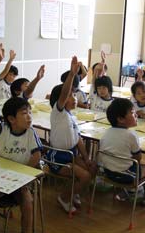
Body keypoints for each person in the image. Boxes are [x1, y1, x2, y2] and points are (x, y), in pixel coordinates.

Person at [0, 90, 42, 233]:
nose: (29, 116)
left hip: (20, 179)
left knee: (28, 202)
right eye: (24, 113)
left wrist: (23, 175)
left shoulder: (31, 133)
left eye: (29, 112)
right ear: (12, 119)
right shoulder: (4, 129)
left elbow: (37, 155)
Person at [47, 56, 97, 214]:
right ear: (59, 101)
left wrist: (87, 158)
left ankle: (74, 192)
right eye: (71, 95)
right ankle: (63, 197)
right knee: (85, 176)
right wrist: (72, 74)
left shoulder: (71, 116)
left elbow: (78, 140)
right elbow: (63, 94)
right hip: (59, 157)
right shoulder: (58, 113)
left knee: (93, 168)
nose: (74, 98)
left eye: (75, 95)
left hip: (71, 154)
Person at [99, 98, 145, 203]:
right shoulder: (131, 135)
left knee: (120, 163)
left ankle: (124, 192)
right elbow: (138, 158)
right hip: (125, 176)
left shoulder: (107, 132)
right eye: (133, 113)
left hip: (107, 172)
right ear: (121, 119)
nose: (136, 115)